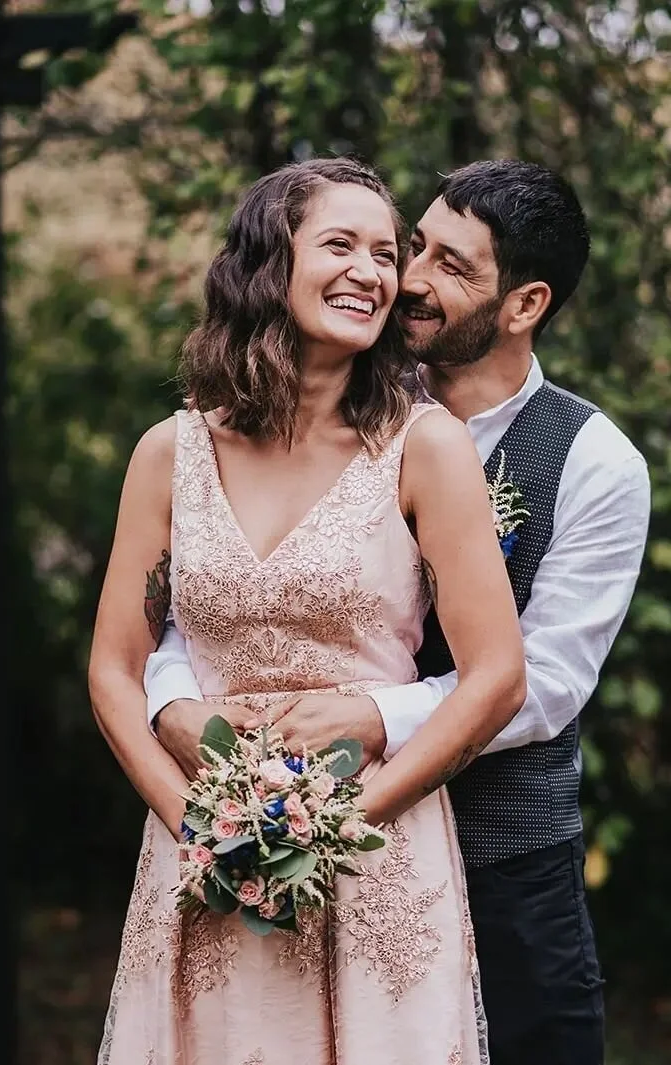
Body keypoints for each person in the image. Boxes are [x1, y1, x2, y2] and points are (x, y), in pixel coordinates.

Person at [148, 159, 652, 1065]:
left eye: (452, 266)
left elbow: (545, 684)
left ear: (524, 304)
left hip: (501, 868)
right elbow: (219, 596)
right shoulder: (324, 408)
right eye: (414, 246)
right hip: (273, 848)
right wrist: (174, 696)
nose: (410, 278)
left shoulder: (593, 462)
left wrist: (372, 716)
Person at [88, 156, 527, 1065]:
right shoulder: (168, 454)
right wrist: (195, 827)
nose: (373, 272)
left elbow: (496, 677)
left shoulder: (426, 448)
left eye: (385, 251)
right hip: (203, 857)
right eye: (340, 244)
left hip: (376, 850)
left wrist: (342, 824)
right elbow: (113, 669)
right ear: (266, 261)